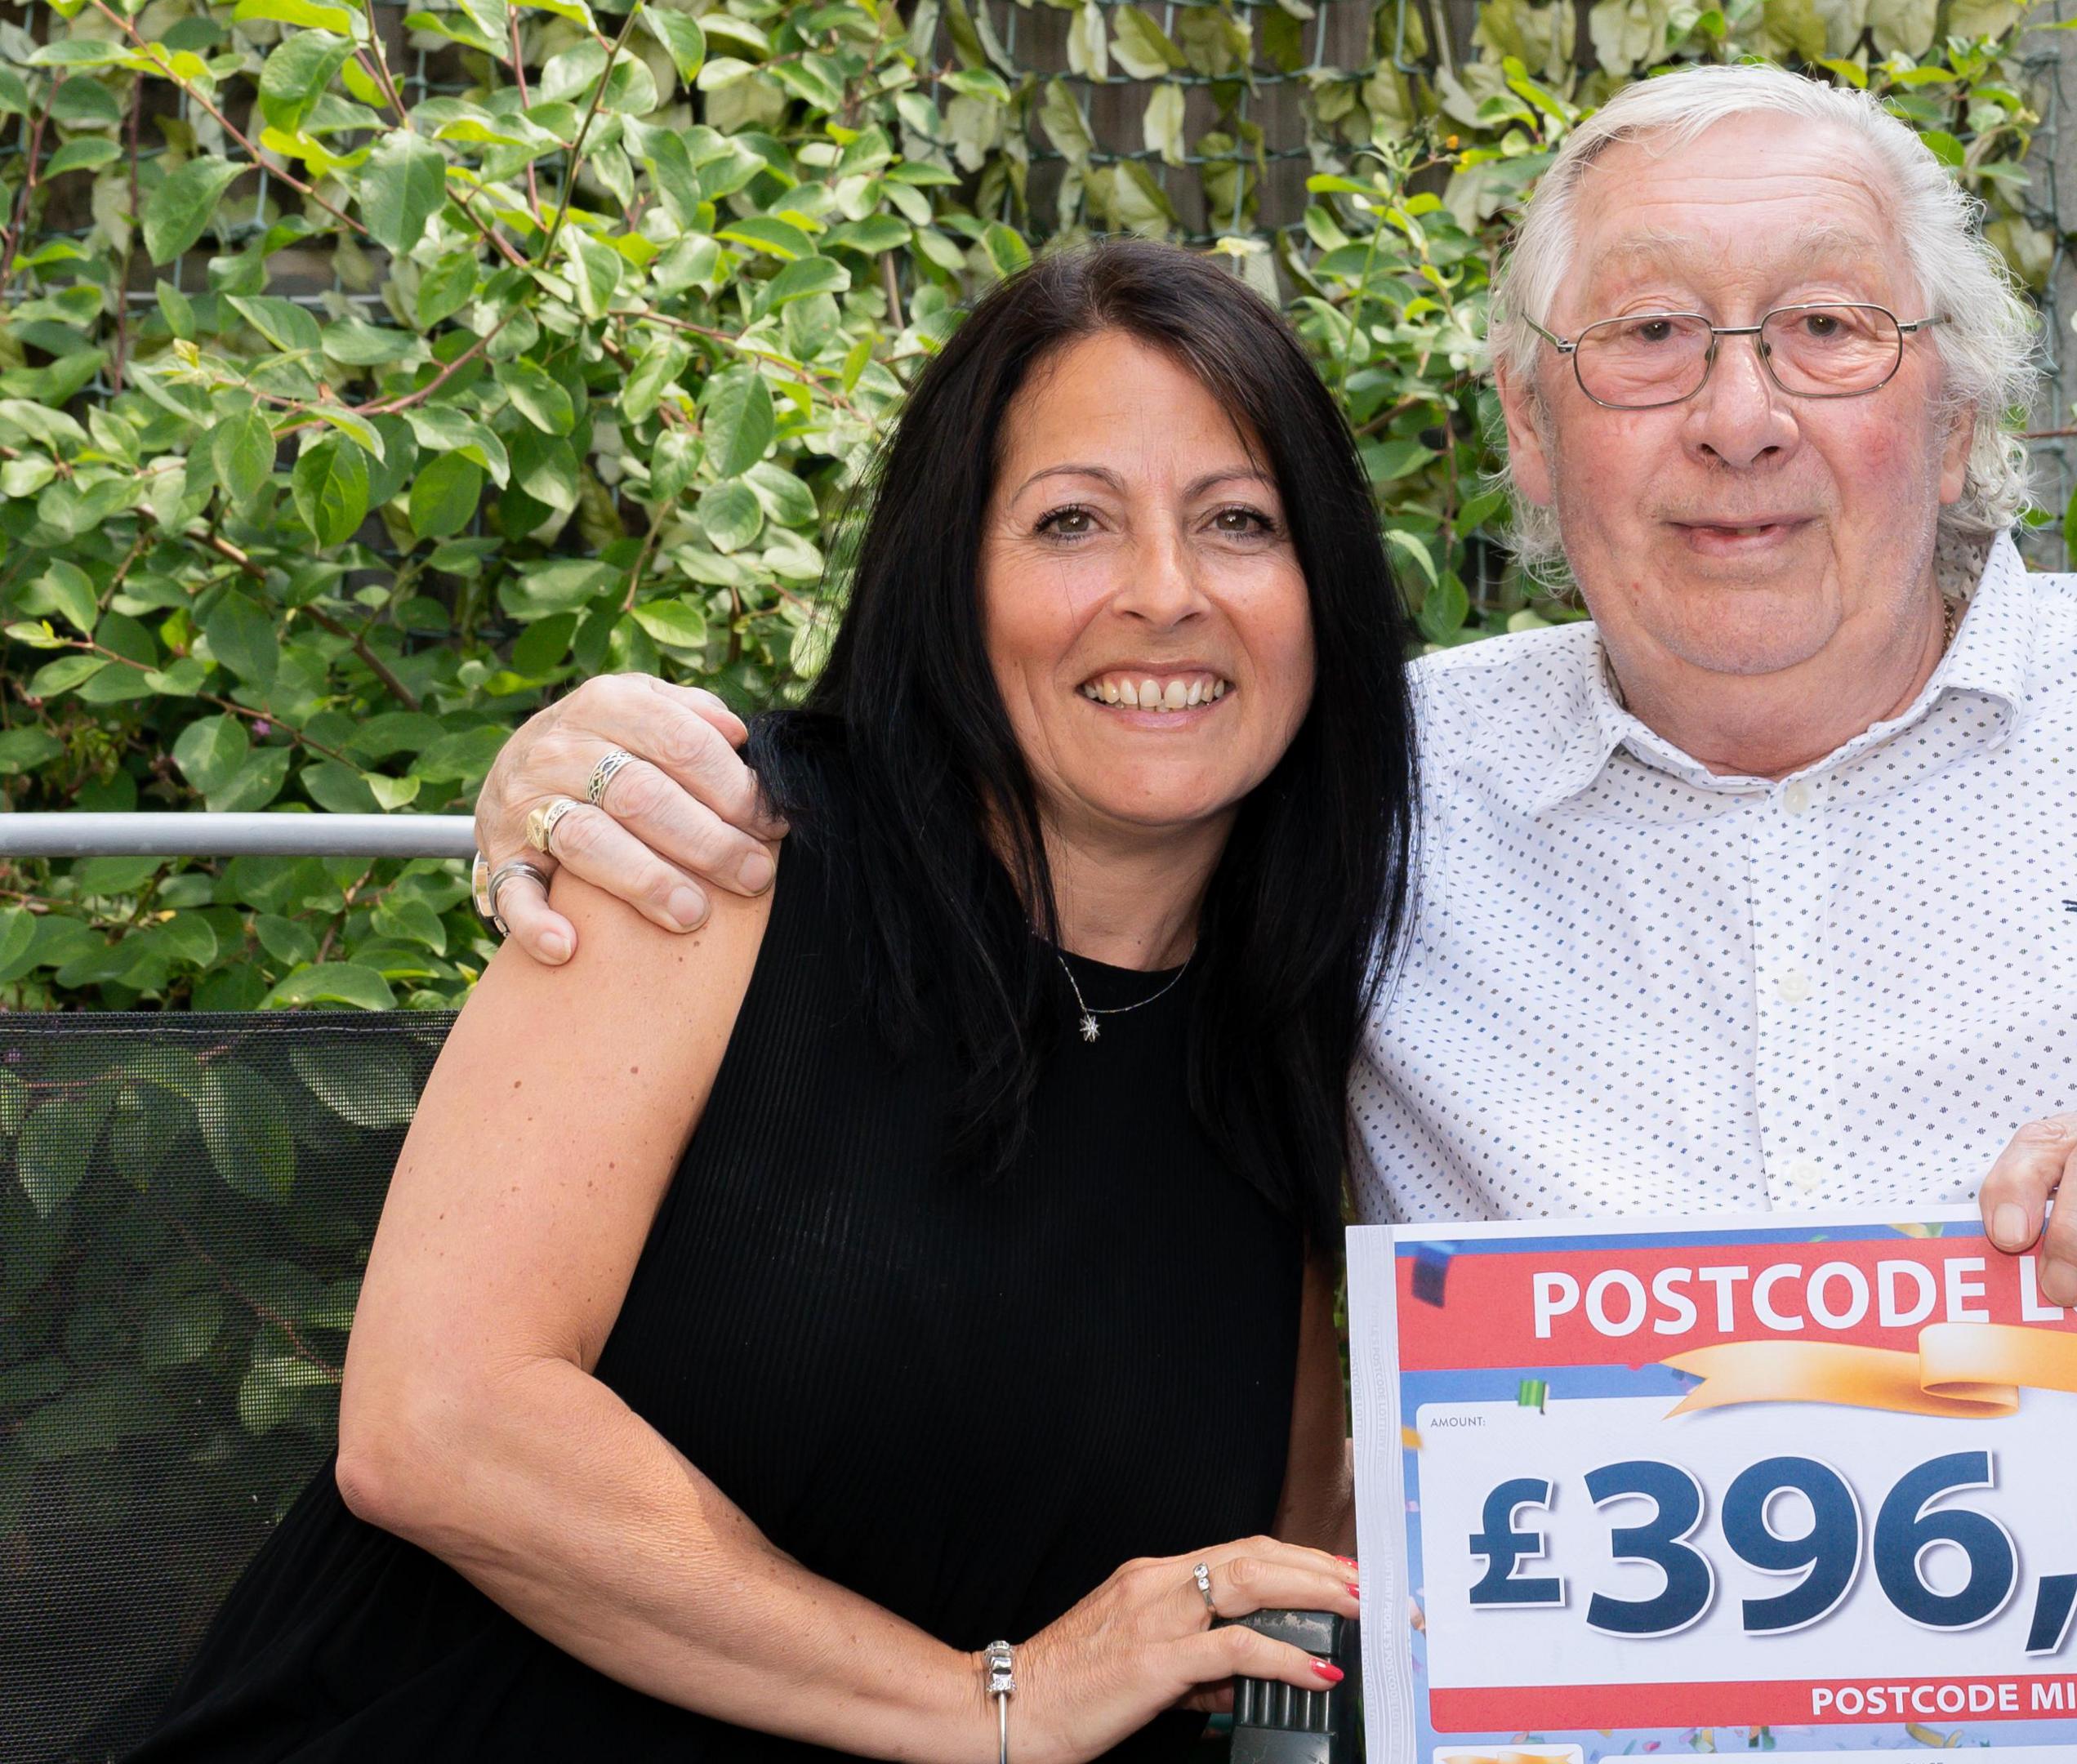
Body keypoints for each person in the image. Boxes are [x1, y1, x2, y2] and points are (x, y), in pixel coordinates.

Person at [466, 69, 2077, 1648]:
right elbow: (1012, 781)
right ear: (1536, 447)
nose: (1740, 413)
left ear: (1956, 420)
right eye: (1649, 341)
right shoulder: (1357, 794)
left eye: (1828, 334)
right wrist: (614, 751)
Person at [134, 240, 1413, 1762]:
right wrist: (987, 1702)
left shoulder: (1297, 1038)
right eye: (1072, 519)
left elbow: (1258, 1592)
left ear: (1321, 591)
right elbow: (440, 1426)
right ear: (955, 572)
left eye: (1240, 524)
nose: (1162, 593)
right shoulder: (718, 856)